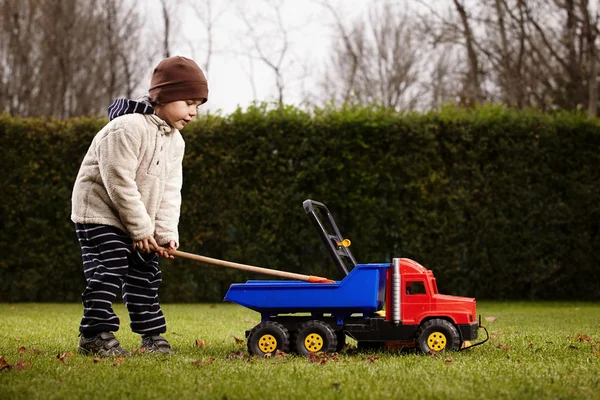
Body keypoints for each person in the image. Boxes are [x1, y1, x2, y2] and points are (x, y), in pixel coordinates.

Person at [71, 56, 208, 356]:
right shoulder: (127, 128)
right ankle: (94, 335)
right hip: (99, 212)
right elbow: (118, 182)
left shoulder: (176, 141)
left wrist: (164, 233)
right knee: (111, 264)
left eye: (198, 105)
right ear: (165, 96)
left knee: (146, 273)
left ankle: (152, 338)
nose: (194, 112)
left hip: (136, 220)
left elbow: (170, 191)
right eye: (188, 102)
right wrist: (141, 228)